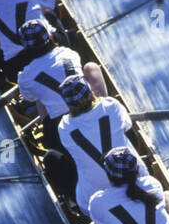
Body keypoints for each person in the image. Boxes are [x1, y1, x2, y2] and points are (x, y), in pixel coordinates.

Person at [49, 77, 133, 212]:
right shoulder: (111, 105)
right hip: (135, 184)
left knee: (51, 156)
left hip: (91, 202)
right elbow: (128, 126)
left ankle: (70, 201)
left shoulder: (64, 127)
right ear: (90, 91)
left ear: (68, 104)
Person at [15, 20, 87, 149]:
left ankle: (47, 130)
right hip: (86, 107)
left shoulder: (24, 77)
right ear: (49, 36)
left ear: (25, 47)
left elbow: (29, 98)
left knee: (38, 97)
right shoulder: (69, 54)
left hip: (60, 123)